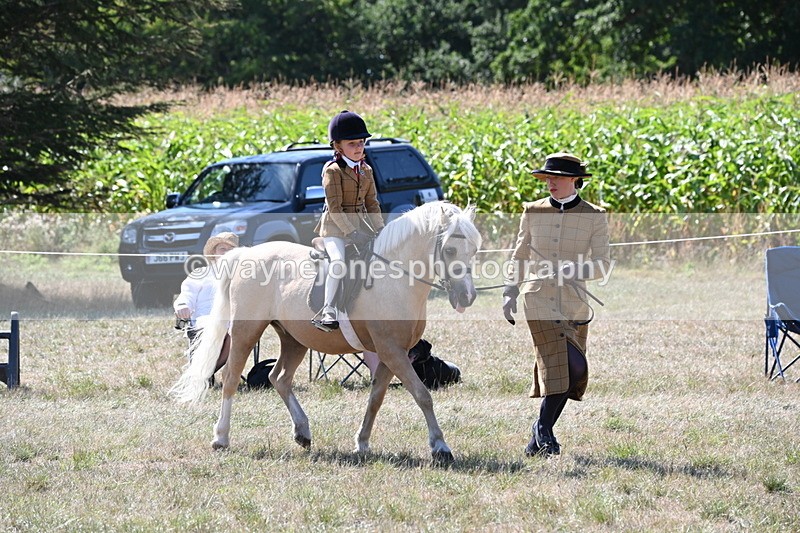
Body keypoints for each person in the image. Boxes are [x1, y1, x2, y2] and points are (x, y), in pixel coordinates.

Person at [502, 152, 610, 457]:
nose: (550, 183)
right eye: (548, 178)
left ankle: (538, 436)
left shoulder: (595, 215)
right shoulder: (532, 211)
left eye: (557, 178)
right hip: (537, 299)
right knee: (564, 365)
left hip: (575, 303)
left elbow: (602, 264)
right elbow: (520, 255)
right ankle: (545, 431)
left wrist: (574, 270)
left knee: (572, 371)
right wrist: (509, 290)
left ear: (574, 180)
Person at [312, 110, 384, 331]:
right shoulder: (333, 171)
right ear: (338, 146)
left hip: (361, 226)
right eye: (352, 143)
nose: (359, 147)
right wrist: (352, 233)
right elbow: (334, 209)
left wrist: (381, 229)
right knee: (339, 261)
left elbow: (372, 204)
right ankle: (328, 309)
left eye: (361, 143)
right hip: (335, 229)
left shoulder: (366, 170)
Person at [174, 232, 239, 372]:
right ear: (214, 252)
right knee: (216, 325)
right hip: (205, 319)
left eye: (231, 250)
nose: (226, 253)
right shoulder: (201, 273)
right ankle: (204, 372)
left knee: (235, 331)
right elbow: (187, 294)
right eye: (222, 249)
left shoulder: (242, 277)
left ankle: (205, 372)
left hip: (233, 320)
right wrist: (182, 305)